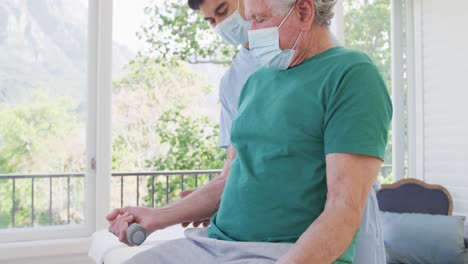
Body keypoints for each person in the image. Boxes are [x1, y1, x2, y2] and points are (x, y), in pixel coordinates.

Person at [107, 0, 392, 263]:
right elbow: (229, 179)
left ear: (304, 12)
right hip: (214, 245)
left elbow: (344, 207)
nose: (251, 33)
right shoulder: (255, 81)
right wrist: (156, 217)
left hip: (280, 252)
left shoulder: (351, 74)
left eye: (258, 19)